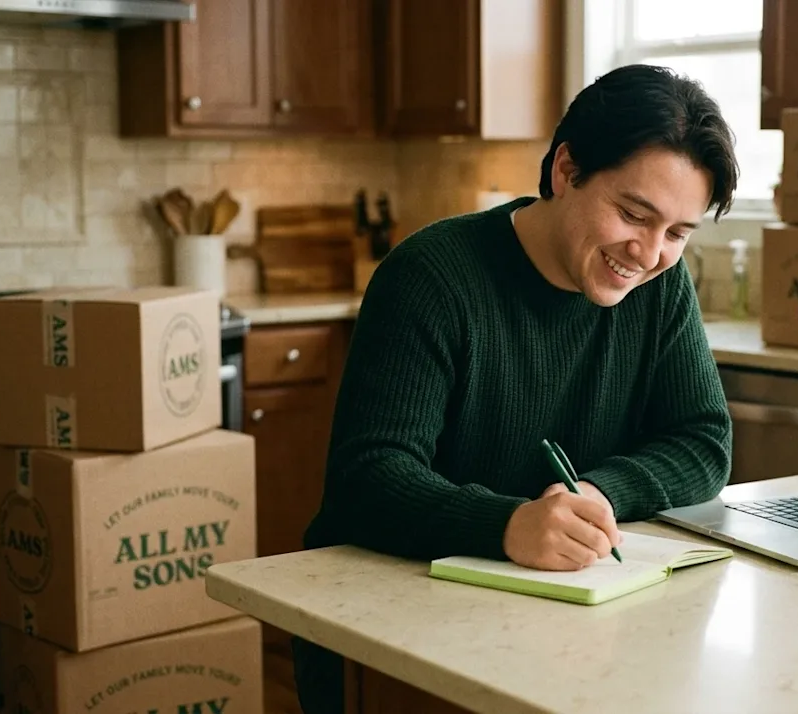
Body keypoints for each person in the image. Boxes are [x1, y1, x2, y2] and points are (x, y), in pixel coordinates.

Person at [292, 63, 739, 712]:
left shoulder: (661, 286)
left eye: (677, 233)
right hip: (389, 630)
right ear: (566, 170)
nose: (648, 254)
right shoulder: (431, 276)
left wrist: (592, 495)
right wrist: (507, 524)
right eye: (632, 214)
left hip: (560, 622)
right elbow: (366, 477)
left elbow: (703, 441)